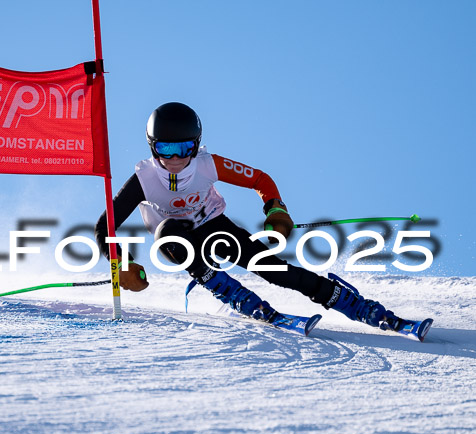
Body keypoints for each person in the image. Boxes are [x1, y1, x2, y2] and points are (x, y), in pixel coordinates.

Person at [95, 102, 402, 330]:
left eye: (184, 147)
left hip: (215, 226)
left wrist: (275, 208)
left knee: (275, 270)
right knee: (168, 230)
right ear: (152, 146)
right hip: (178, 241)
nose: (175, 158)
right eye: (165, 148)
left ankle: (354, 305)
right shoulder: (144, 179)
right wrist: (120, 264)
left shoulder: (207, 164)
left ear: (196, 145)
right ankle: (234, 294)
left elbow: (260, 179)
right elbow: (103, 226)